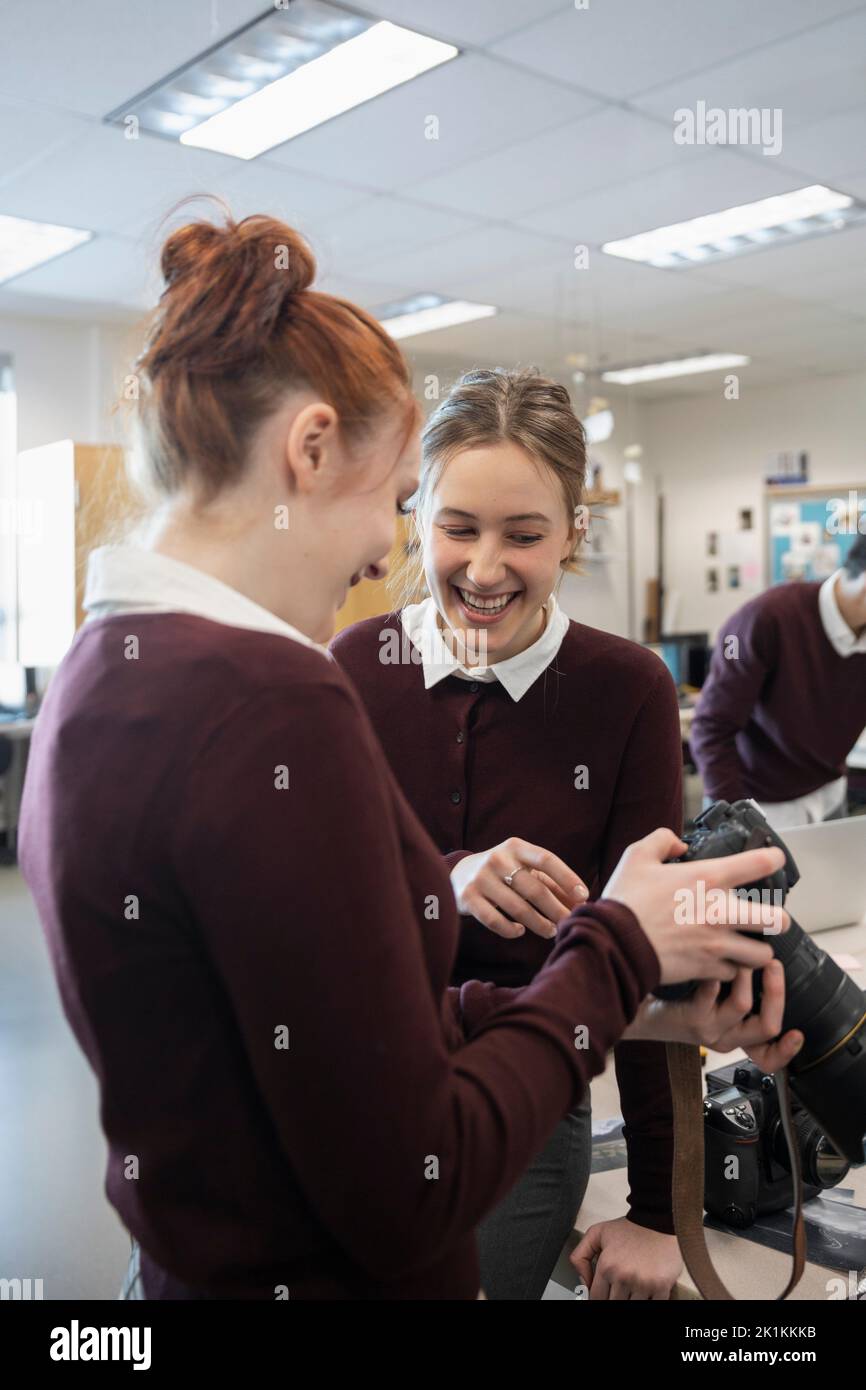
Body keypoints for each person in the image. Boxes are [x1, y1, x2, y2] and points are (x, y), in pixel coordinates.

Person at [18, 210, 800, 1301]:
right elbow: (404, 1185)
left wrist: (634, 1000)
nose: (393, 551)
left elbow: (325, 1007)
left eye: (522, 533)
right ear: (308, 447)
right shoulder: (282, 698)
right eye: (408, 510)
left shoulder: (102, 671)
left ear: (570, 532)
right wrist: (614, 948)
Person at [330, 368, 688, 1299]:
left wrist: (660, 1209)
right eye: (458, 528)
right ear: (418, 522)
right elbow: (316, 910)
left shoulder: (627, 689)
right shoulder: (358, 667)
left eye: (524, 535)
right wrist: (440, 879)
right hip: (352, 1079)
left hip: (526, 1098)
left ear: (573, 533)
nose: (486, 570)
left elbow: (652, 951)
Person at [690, 535, 866, 830]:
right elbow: (711, 729)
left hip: (829, 794)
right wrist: (735, 821)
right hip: (757, 804)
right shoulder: (767, 618)